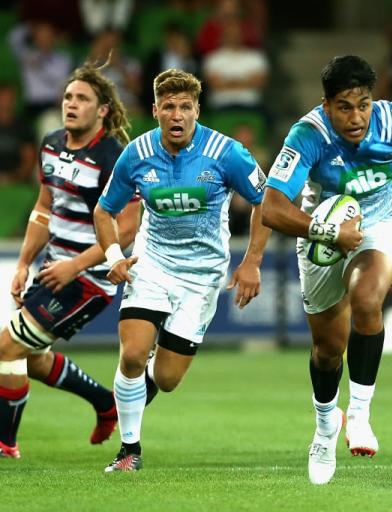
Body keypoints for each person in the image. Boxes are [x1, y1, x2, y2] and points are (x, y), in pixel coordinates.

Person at [261, 55, 392, 485]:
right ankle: (327, 425)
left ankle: (361, 415)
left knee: (367, 299)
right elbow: (272, 209)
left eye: (363, 104)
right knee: (327, 350)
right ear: (326, 105)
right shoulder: (307, 135)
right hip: (321, 237)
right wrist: (327, 231)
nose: (356, 116)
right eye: (345, 106)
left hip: (379, 226)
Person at [94, 68, 270, 472]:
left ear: (197, 110)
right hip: (151, 264)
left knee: (168, 379)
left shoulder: (227, 153)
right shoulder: (136, 154)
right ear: (155, 110)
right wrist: (112, 257)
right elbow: (104, 211)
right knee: (133, 353)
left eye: (185, 107)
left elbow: (266, 201)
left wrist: (252, 262)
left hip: (203, 275)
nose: (177, 115)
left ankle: (140, 385)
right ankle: (129, 451)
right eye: (169, 107)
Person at [0, 61, 141, 459]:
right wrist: (25, 262)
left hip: (92, 277)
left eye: (82, 98)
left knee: (7, 349)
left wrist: (74, 266)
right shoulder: (50, 143)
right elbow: (45, 208)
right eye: (67, 97)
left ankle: (5, 442)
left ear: (102, 111)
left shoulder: (115, 158)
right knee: (35, 360)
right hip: (53, 268)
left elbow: (126, 230)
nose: (71, 104)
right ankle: (104, 402)